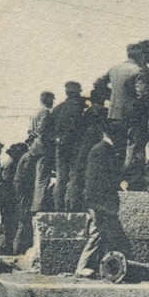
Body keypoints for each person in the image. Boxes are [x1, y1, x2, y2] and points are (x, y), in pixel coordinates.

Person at [76, 120, 130, 279]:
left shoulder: (104, 149)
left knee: (99, 235)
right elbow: (95, 181)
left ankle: (97, 267)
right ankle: (82, 267)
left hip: (101, 202)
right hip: (99, 203)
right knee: (96, 235)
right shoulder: (101, 150)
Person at [107, 40, 149, 189]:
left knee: (118, 151)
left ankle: (116, 183)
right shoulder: (139, 70)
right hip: (134, 117)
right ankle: (133, 184)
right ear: (140, 55)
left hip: (114, 116)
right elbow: (143, 94)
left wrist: (113, 100)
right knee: (135, 150)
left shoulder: (114, 68)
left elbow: (98, 84)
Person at [66, 78, 111, 212]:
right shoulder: (101, 111)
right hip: (93, 144)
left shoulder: (87, 112)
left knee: (78, 174)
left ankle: (74, 204)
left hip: (83, 145)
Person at [45, 81, 87, 211]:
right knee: (75, 175)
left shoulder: (58, 108)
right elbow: (77, 127)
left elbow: (47, 130)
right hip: (73, 145)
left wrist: (56, 139)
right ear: (77, 93)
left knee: (61, 177)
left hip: (60, 146)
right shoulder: (78, 108)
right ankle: (74, 207)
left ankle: (59, 207)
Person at [25, 92, 54, 211]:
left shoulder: (34, 112)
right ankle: (38, 207)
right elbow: (42, 129)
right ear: (47, 99)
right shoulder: (45, 111)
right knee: (43, 179)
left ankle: (36, 206)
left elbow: (30, 131)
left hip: (34, 147)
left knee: (38, 177)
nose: (53, 102)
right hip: (42, 147)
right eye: (52, 99)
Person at [0, 141, 27, 255]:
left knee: (8, 221)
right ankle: (5, 247)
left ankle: (6, 246)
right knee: (7, 221)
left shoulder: (10, 163)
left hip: (7, 195)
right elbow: (5, 182)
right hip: (7, 196)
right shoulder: (10, 165)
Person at [12, 139, 38, 254]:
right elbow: (26, 176)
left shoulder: (25, 157)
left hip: (21, 190)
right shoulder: (29, 157)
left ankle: (18, 248)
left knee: (23, 220)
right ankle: (17, 250)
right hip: (24, 191)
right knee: (23, 220)